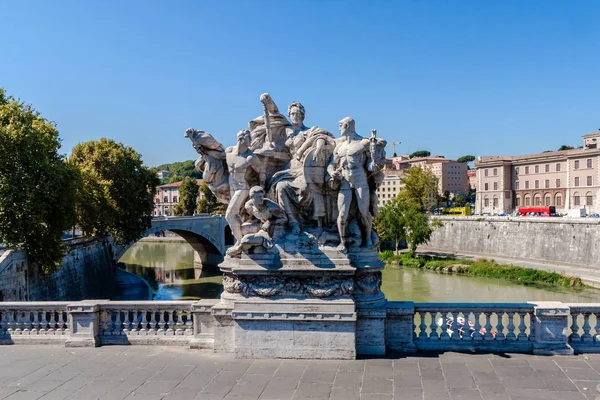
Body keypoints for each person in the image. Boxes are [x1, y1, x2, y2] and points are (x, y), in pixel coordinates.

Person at [271, 101, 335, 233]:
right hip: (290, 168)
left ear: (303, 116)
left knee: (308, 186)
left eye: (298, 113)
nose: (295, 116)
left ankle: (316, 222)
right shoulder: (286, 132)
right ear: (289, 115)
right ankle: (293, 222)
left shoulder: (309, 131)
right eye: (293, 113)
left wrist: (317, 149)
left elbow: (321, 136)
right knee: (280, 187)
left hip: (305, 168)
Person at [327, 117, 377, 252]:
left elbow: (370, 162)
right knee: (342, 214)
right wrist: (332, 173)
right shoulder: (339, 147)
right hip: (344, 180)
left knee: (364, 212)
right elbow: (331, 165)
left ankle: (368, 239)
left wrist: (372, 164)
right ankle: (342, 242)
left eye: (340, 125)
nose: (339, 128)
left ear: (347, 126)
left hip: (360, 180)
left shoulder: (364, 142)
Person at [224, 129, 261, 254]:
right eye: (249, 138)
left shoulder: (250, 157)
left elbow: (262, 172)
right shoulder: (229, 151)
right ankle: (240, 240)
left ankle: (240, 243)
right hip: (231, 187)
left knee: (229, 215)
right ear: (241, 138)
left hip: (242, 187)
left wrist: (262, 187)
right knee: (238, 215)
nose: (251, 140)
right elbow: (217, 156)